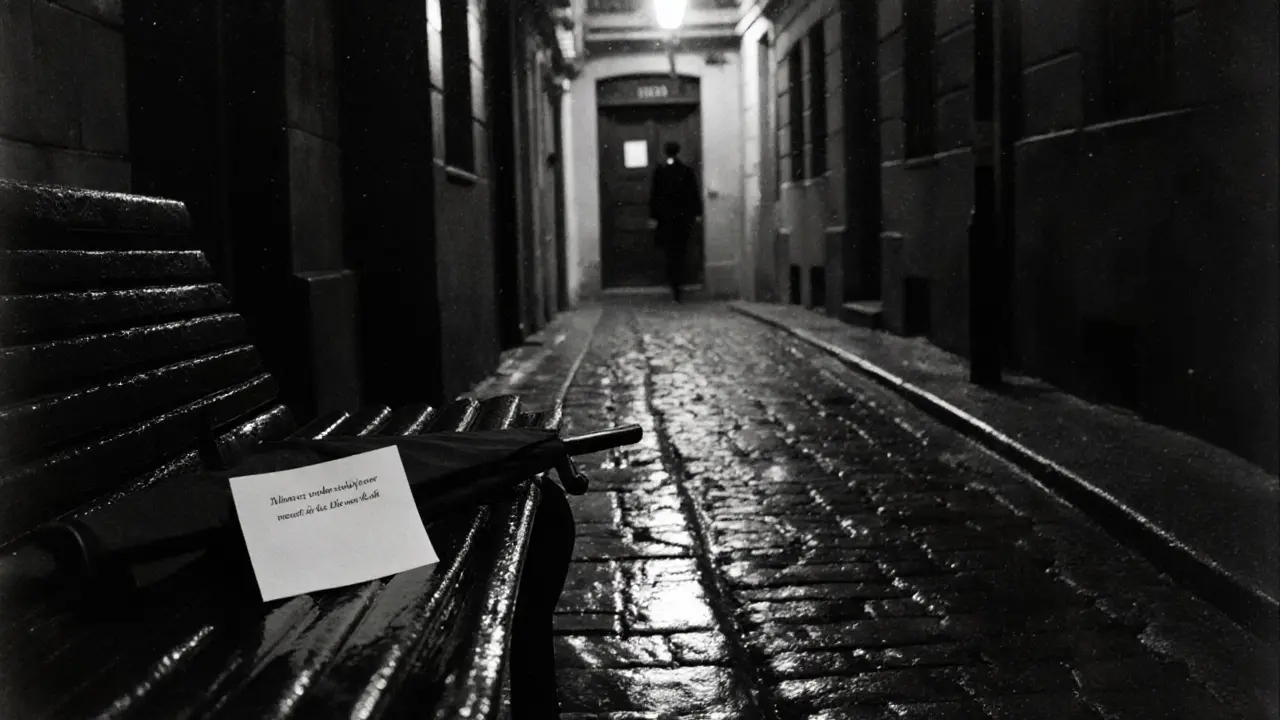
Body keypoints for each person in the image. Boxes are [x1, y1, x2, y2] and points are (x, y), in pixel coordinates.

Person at [647, 141, 702, 302]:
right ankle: (678, 286)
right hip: (682, 219)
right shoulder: (686, 171)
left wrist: (653, 217)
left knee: (670, 253)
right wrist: (697, 214)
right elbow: (694, 194)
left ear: (666, 152)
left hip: (666, 220)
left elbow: (654, 196)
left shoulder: (660, 171)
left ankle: (674, 285)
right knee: (681, 252)